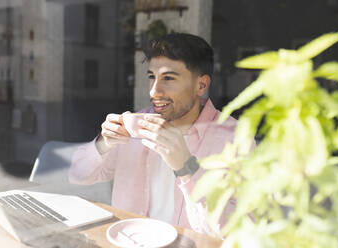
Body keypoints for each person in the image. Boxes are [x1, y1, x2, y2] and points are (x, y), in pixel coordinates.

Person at [69, 33, 238, 236]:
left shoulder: (233, 138)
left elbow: (230, 232)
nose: (154, 92)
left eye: (168, 78)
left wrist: (186, 167)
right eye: (152, 77)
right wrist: (103, 143)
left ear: (200, 85)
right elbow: (77, 175)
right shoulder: (137, 124)